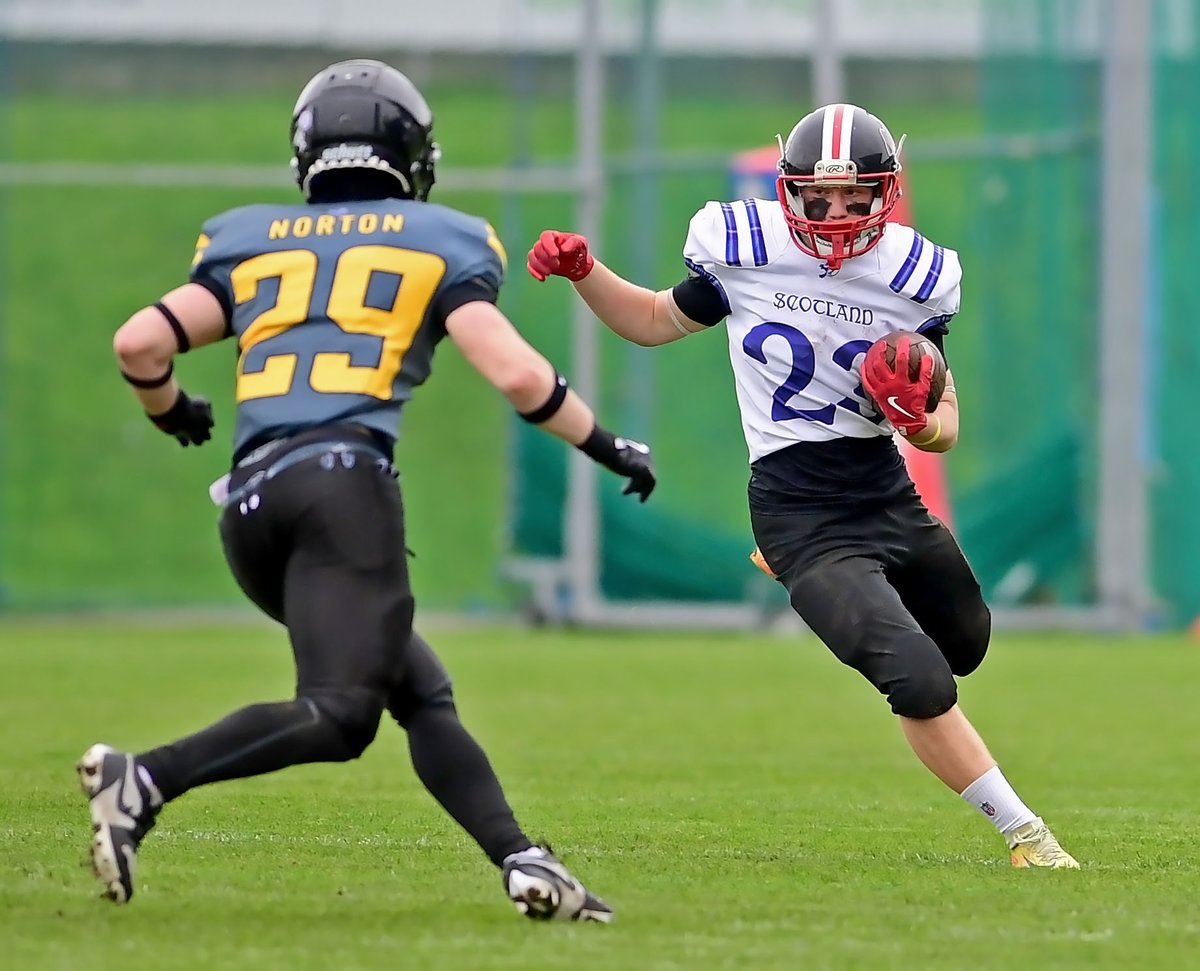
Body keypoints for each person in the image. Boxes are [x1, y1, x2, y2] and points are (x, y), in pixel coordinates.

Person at [79, 58, 660, 920]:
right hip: (342, 489)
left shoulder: (249, 238)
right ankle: (146, 778)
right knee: (342, 714)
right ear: (412, 155)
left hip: (248, 508)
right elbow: (514, 370)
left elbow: (138, 344)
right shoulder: (441, 238)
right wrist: (610, 445)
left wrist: (172, 412)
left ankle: (524, 860)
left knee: (417, 689)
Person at [526, 102, 1078, 869]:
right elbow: (654, 318)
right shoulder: (745, 246)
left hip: (883, 490)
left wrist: (919, 426)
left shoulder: (916, 275)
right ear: (790, 189)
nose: (838, 213)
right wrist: (587, 273)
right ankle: (1026, 834)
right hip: (797, 508)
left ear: (886, 193)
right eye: (821, 197)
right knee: (916, 677)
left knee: (966, 642)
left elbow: (945, 411)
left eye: (858, 197)